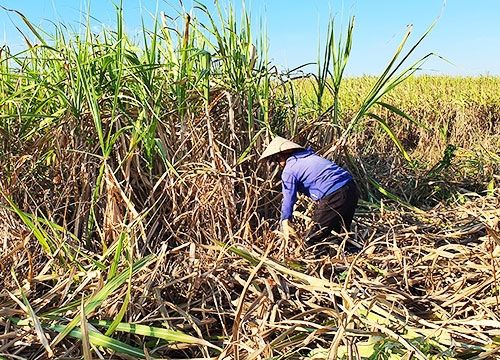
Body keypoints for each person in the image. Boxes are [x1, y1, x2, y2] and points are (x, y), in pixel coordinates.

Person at [260, 136, 359, 245]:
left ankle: (303, 257)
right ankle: (347, 254)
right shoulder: (311, 156)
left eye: (277, 159)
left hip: (334, 194)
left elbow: (288, 200)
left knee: (312, 238)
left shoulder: (289, 170)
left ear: (285, 153)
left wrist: (285, 220)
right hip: (351, 188)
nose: (279, 163)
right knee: (340, 233)